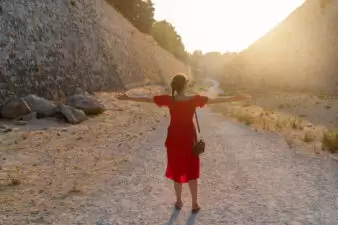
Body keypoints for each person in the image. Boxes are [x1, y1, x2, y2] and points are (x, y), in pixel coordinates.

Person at [116, 73, 251, 213]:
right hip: (188, 138)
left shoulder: (169, 100)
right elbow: (214, 101)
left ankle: (179, 201)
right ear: (185, 85)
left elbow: (146, 99)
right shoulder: (194, 99)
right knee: (191, 169)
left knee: (176, 168)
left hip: (174, 138)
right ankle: (194, 203)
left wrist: (128, 98)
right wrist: (234, 98)